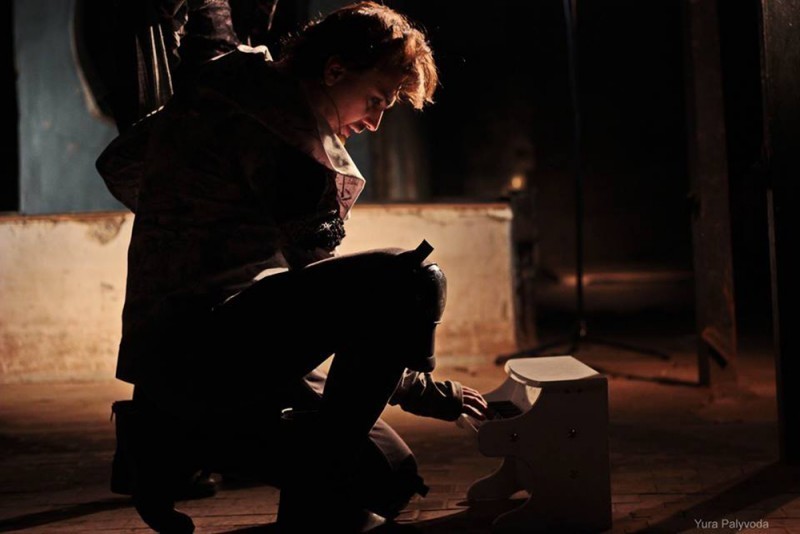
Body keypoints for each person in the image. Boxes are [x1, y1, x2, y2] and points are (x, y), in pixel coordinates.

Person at [98, 2, 488, 531]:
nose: (375, 122)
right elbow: (352, 306)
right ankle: (288, 491)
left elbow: (123, 165)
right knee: (409, 280)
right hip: (201, 350)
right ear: (334, 70)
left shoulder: (240, 84)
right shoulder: (278, 132)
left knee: (388, 475)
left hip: (204, 348)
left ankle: (165, 438)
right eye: (375, 100)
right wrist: (425, 391)